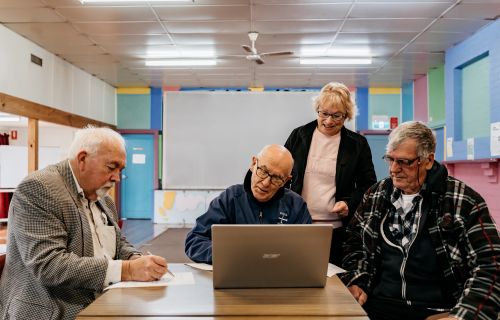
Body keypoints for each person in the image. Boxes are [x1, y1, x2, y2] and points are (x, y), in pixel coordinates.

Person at [0, 126, 169, 320]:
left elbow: (118, 243)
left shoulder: (103, 198)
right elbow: (49, 265)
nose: (117, 177)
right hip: (52, 311)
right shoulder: (38, 189)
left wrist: (136, 259)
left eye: (120, 170)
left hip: (101, 301)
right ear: (82, 159)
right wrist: (128, 270)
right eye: (111, 167)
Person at [341, 121, 500, 320]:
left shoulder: (463, 201)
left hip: (438, 310)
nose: (393, 169)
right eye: (390, 159)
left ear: (428, 160)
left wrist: (462, 315)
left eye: (404, 162)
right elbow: (354, 244)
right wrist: (358, 280)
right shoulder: (376, 195)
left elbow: (490, 266)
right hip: (377, 305)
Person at [284, 81, 376, 265]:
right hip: (298, 224)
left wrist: (348, 203)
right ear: (317, 109)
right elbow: (282, 173)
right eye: (324, 113)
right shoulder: (299, 135)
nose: (329, 121)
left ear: (346, 115)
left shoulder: (357, 144)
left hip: (337, 230)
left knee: (333, 282)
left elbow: (368, 185)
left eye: (337, 116)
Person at [185, 144, 312, 264]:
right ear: (253, 163)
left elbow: (309, 251)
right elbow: (194, 241)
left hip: (281, 279)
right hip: (235, 274)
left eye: (277, 178)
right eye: (263, 171)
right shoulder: (231, 198)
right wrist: (227, 254)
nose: (266, 183)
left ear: (286, 180)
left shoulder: (296, 205)